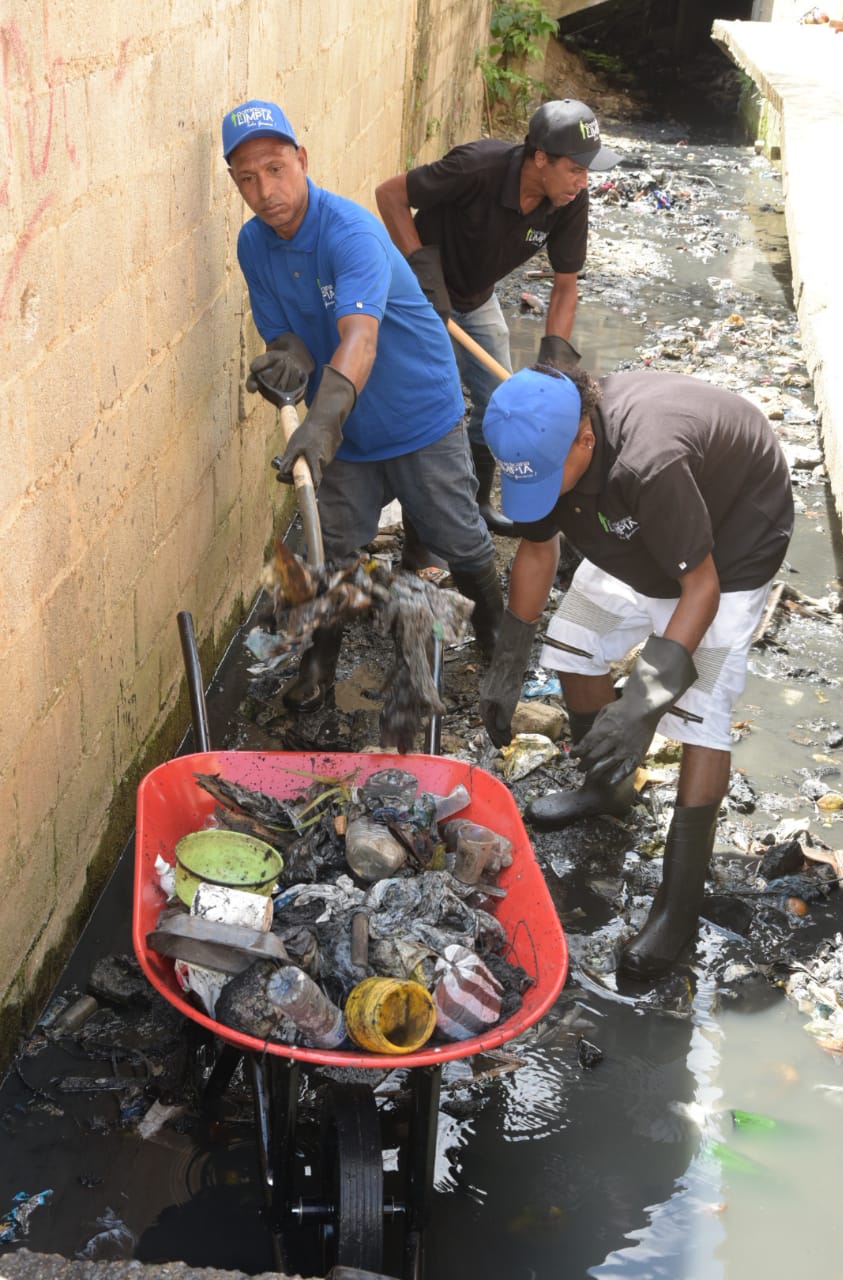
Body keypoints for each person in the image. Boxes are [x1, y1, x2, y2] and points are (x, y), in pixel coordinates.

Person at [479, 360, 794, 979]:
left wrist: (641, 703)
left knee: (696, 709)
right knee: (572, 641)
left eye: (548, 478)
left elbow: (699, 589)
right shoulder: (543, 439)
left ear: (586, 439)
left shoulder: (648, 460)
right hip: (639, 531)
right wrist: (509, 656)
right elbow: (538, 549)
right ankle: (609, 788)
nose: (539, 491)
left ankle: (677, 910)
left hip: (732, 538)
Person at [222, 99, 503, 710]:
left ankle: (496, 648)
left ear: (302, 160)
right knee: (330, 547)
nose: (265, 190)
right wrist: (289, 359)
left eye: (275, 169)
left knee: (460, 537)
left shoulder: (349, 229)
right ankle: (319, 669)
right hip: (347, 430)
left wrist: (319, 424)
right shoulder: (255, 246)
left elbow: (360, 338)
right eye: (247, 178)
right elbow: (287, 336)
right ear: (235, 183)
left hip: (414, 413)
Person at [375, 98, 620, 538]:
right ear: (541, 158)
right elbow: (389, 195)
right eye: (576, 169)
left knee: (500, 401)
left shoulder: (568, 199)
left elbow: (565, 286)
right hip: (422, 299)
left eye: (588, 172)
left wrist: (554, 365)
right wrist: (422, 269)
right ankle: (422, 536)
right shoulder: (477, 168)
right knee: (432, 411)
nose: (583, 183)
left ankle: (477, 507)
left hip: (478, 299)